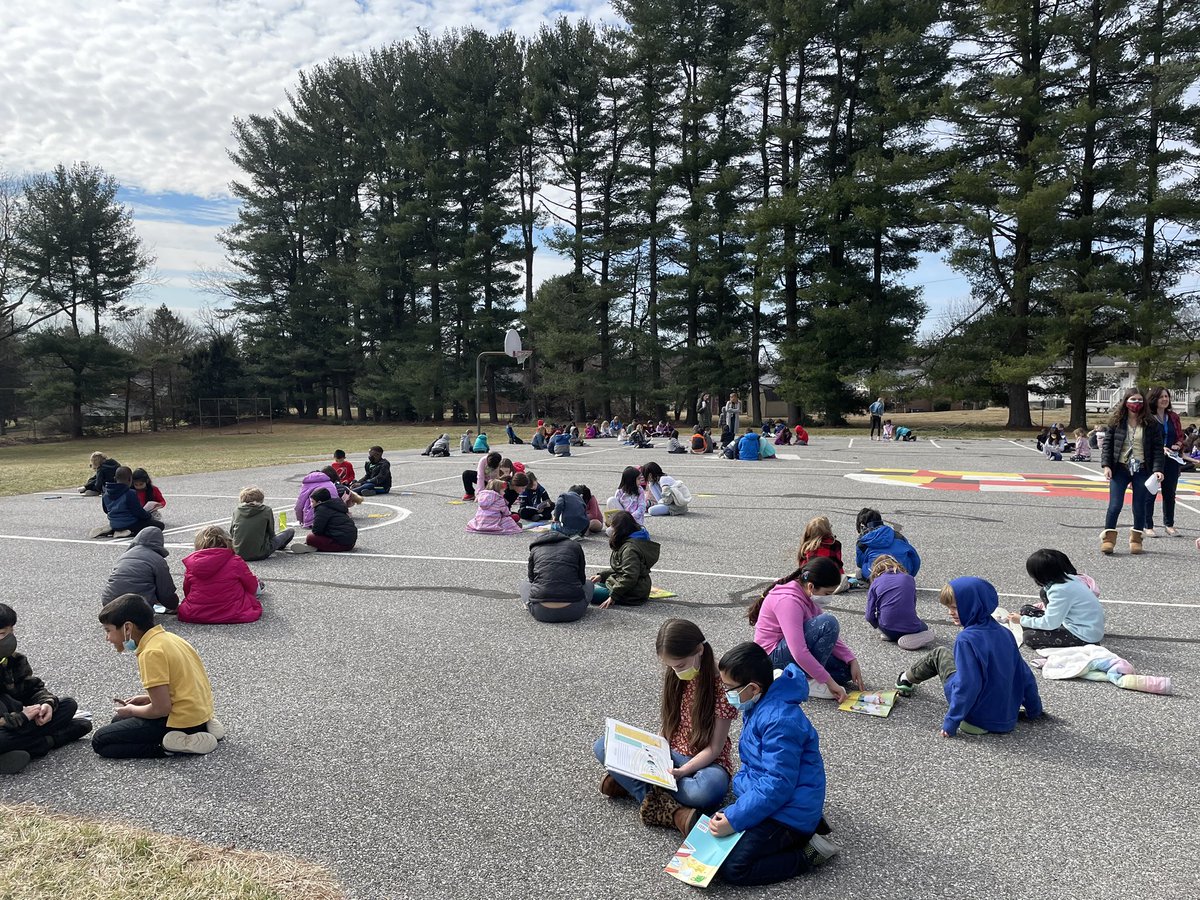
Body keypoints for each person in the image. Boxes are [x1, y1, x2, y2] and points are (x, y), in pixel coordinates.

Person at [703, 643, 840, 885]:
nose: (725, 695)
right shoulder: (760, 703)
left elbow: (777, 785)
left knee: (734, 868)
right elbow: (760, 768)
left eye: (728, 689)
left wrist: (735, 818)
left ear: (753, 688)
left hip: (789, 813)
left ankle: (807, 854)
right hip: (775, 799)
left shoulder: (779, 720)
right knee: (717, 838)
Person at [595, 619, 737, 834]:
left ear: (699, 650)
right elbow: (669, 724)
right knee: (602, 746)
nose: (676, 670)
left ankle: (634, 786)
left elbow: (714, 749)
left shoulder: (722, 685)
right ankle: (675, 814)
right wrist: (654, 752)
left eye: (679, 665)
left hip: (706, 763)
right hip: (670, 753)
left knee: (708, 790)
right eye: (670, 665)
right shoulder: (677, 675)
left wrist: (681, 772)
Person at [896, 577, 1043, 737]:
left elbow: (967, 684)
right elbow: (1024, 674)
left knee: (940, 653)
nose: (950, 612)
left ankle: (905, 678)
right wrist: (1034, 709)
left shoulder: (966, 639)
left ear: (973, 606)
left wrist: (951, 722)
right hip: (1005, 717)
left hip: (975, 721)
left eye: (954, 608)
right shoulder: (1005, 633)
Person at [92, 594, 224, 758]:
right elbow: (179, 686)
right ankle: (203, 726)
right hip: (197, 711)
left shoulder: (150, 653)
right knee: (117, 721)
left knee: (101, 741)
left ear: (127, 628)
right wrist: (146, 699)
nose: (107, 638)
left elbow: (161, 709)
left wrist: (133, 710)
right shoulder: (169, 638)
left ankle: (168, 745)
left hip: (179, 720)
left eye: (108, 630)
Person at [748, 556, 863, 701]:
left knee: (845, 671)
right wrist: (827, 681)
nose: (828, 598)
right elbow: (799, 651)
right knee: (828, 622)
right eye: (827, 593)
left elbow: (827, 636)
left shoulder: (806, 595)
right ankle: (808, 681)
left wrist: (851, 659)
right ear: (811, 587)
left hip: (787, 650)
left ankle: (805, 675)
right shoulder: (788, 601)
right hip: (770, 658)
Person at [0, 603, 92, 774]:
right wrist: (21, 717)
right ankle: (49, 741)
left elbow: (33, 689)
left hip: (20, 722)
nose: (9, 639)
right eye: (2, 634)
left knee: (68, 705)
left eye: (11, 632)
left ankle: (17, 748)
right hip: (8, 724)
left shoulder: (14, 659)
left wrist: (46, 704)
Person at [1100, 388, 1164, 555]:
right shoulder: (1116, 421)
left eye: (1139, 400)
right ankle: (1108, 539)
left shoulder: (1151, 424)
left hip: (1142, 469)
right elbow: (1107, 445)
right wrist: (1106, 465)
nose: (1136, 403)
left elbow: (1158, 449)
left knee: (1139, 506)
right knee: (1115, 505)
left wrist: (1157, 470)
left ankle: (1136, 539)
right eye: (1133, 400)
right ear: (1126, 402)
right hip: (1120, 468)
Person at [1009, 549, 1104, 650]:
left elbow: (1051, 623)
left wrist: (1022, 620)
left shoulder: (1059, 591)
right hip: (1082, 625)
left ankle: (1083, 645)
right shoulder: (1070, 578)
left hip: (1084, 635)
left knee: (1029, 637)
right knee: (1026, 610)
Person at [179, 526, 263, 624]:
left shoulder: (193, 564)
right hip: (234, 611)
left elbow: (187, 590)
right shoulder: (235, 561)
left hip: (196, 612)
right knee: (256, 587)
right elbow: (251, 586)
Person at [99, 527, 180, 612]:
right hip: (135, 607)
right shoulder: (158, 560)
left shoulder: (125, 555)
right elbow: (165, 592)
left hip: (109, 603)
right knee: (150, 586)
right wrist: (174, 605)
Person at [590, 511, 660, 608]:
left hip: (632, 593)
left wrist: (613, 596)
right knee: (588, 585)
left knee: (587, 592)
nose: (611, 530)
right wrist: (602, 576)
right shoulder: (635, 539)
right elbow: (622, 568)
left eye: (613, 527)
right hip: (634, 588)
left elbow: (630, 576)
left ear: (620, 529)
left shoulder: (630, 550)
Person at [519, 529, 592, 623]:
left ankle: (529, 604)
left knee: (524, 584)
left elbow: (531, 579)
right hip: (574, 611)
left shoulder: (535, 548)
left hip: (541, 612)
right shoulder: (575, 546)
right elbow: (582, 579)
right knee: (589, 583)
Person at [865, 556, 933, 650]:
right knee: (924, 626)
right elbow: (912, 603)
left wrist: (879, 625)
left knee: (887, 620)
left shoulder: (875, 583)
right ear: (896, 564)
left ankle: (892, 636)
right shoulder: (909, 578)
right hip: (911, 626)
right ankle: (911, 635)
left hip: (887, 627)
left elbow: (869, 616)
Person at [1145, 386, 1184, 537]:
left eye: (1167, 396)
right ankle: (1147, 525)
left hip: (1172, 459)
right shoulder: (1148, 417)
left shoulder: (1173, 416)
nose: (1165, 399)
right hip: (1154, 459)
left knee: (1170, 493)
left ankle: (1169, 524)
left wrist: (1178, 445)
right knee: (1151, 492)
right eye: (1161, 397)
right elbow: (1144, 439)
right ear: (1154, 399)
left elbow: (1180, 435)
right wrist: (1161, 448)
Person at [94, 466, 162, 539]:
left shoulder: (106, 493)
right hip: (130, 523)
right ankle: (127, 532)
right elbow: (138, 512)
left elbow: (106, 510)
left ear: (115, 479)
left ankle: (113, 529)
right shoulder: (130, 493)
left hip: (114, 522)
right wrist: (149, 516)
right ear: (130, 479)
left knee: (124, 523)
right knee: (159, 526)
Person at [854, 508, 920, 581]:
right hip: (903, 572)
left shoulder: (863, 542)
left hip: (877, 575)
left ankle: (873, 582)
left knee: (859, 572)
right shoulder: (898, 536)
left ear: (862, 526)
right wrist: (910, 575)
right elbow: (915, 558)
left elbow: (860, 563)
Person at [231, 486, 295, 560]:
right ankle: (280, 546)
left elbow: (232, 533)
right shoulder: (266, 510)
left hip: (238, 553)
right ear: (261, 499)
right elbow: (271, 533)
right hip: (260, 553)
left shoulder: (237, 510)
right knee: (290, 531)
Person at [796, 516, 845, 591]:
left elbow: (802, 566)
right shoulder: (835, 544)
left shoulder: (806, 547)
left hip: (812, 578)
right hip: (832, 576)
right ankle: (839, 585)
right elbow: (838, 563)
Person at [306, 488, 358, 552]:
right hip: (351, 542)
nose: (311, 504)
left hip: (342, 544)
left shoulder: (321, 509)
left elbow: (316, 531)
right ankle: (317, 545)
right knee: (315, 537)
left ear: (319, 502)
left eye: (312, 502)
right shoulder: (335, 504)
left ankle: (315, 546)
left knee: (310, 538)